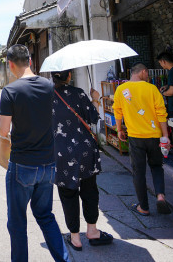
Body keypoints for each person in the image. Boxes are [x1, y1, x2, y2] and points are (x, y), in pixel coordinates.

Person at [0, 44, 68, 262]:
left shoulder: (10, 91)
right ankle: (63, 259)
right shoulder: (49, 86)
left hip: (22, 164)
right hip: (48, 163)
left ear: (10, 65)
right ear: (30, 61)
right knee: (46, 215)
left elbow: (3, 130)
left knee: (17, 222)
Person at [52, 70, 113, 251]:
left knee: (67, 193)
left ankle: (75, 237)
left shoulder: (46, 97)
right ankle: (92, 230)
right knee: (89, 190)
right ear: (69, 76)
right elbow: (93, 118)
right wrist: (95, 98)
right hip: (85, 150)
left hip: (61, 152)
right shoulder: (78, 93)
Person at [114, 63, 172, 216]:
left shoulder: (121, 89)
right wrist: (165, 135)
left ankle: (144, 207)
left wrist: (119, 129)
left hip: (135, 137)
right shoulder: (151, 89)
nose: (148, 76)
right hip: (154, 136)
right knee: (157, 167)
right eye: (148, 74)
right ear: (143, 72)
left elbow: (117, 112)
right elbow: (161, 113)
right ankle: (160, 196)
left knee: (138, 172)